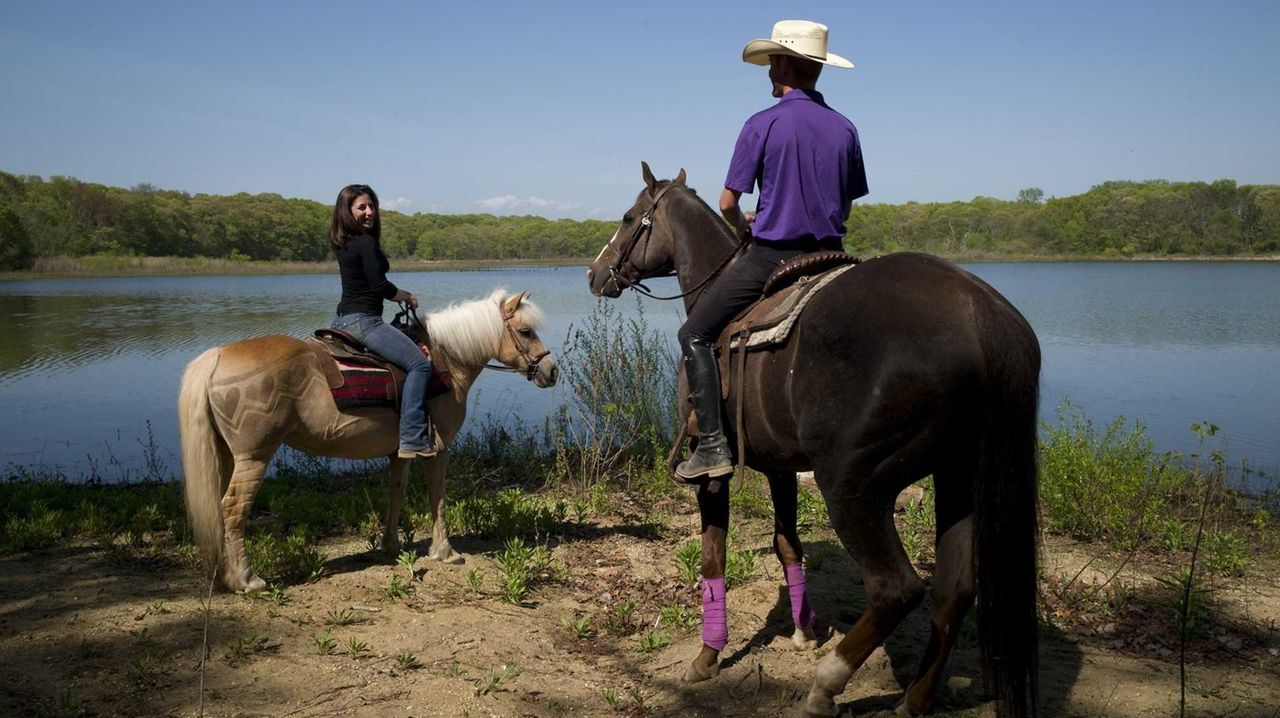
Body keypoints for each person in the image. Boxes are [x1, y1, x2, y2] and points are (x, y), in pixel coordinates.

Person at [675, 20, 869, 480]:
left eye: (770, 62)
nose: (766, 72)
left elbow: (727, 202)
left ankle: (714, 448)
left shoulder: (762, 124)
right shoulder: (845, 128)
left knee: (694, 335)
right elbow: (846, 205)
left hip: (773, 255)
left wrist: (740, 223)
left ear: (784, 63)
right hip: (833, 257)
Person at [329, 184, 436, 458]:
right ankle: (412, 439)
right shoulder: (365, 242)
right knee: (419, 366)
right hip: (364, 321)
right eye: (361, 207)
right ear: (347, 212)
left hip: (340, 320)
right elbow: (380, 286)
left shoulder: (344, 243)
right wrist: (407, 296)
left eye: (371, 206)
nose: (369, 212)